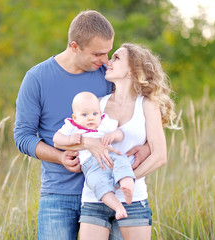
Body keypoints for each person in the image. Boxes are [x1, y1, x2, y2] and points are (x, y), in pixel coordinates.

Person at [14, 10, 150, 240]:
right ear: (75, 46)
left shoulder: (106, 77)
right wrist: (59, 157)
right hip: (59, 194)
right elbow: (23, 137)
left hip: (109, 194)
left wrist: (146, 147)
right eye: (98, 54)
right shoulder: (37, 78)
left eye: (108, 52)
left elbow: (136, 113)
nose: (105, 61)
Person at [77, 43, 178, 240]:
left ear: (133, 68)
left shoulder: (147, 105)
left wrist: (122, 182)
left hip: (133, 202)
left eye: (116, 58)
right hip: (95, 198)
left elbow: (159, 156)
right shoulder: (98, 104)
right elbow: (79, 137)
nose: (109, 61)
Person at [53, 91, 135, 220]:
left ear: (100, 114)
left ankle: (127, 186)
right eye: (84, 114)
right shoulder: (72, 126)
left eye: (95, 114)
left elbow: (120, 134)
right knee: (97, 184)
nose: (91, 118)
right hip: (90, 165)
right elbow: (56, 139)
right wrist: (69, 140)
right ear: (75, 117)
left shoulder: (104, 122)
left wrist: (112, 135)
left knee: (123, 163)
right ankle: (118, 207)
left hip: (110, 155)